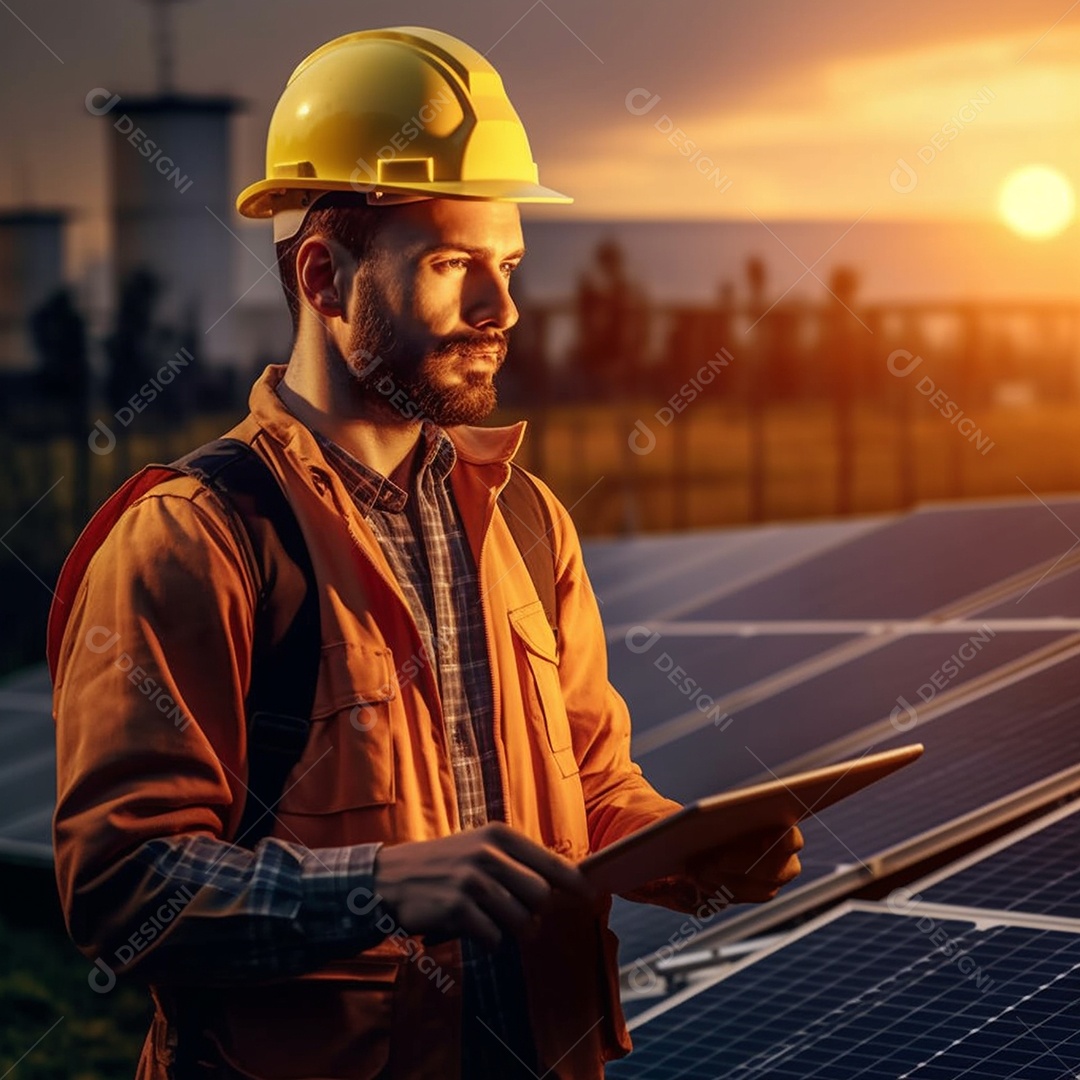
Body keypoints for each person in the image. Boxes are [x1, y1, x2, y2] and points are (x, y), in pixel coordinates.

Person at [48, 26, 802, 1079]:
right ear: (324, 276)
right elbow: (122, 888)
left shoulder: (527, 518)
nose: (502, 310)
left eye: (509, 266)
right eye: (453, 266)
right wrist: (380, 889)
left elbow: (593, 788)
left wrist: (686, 852)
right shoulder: (199, 538)